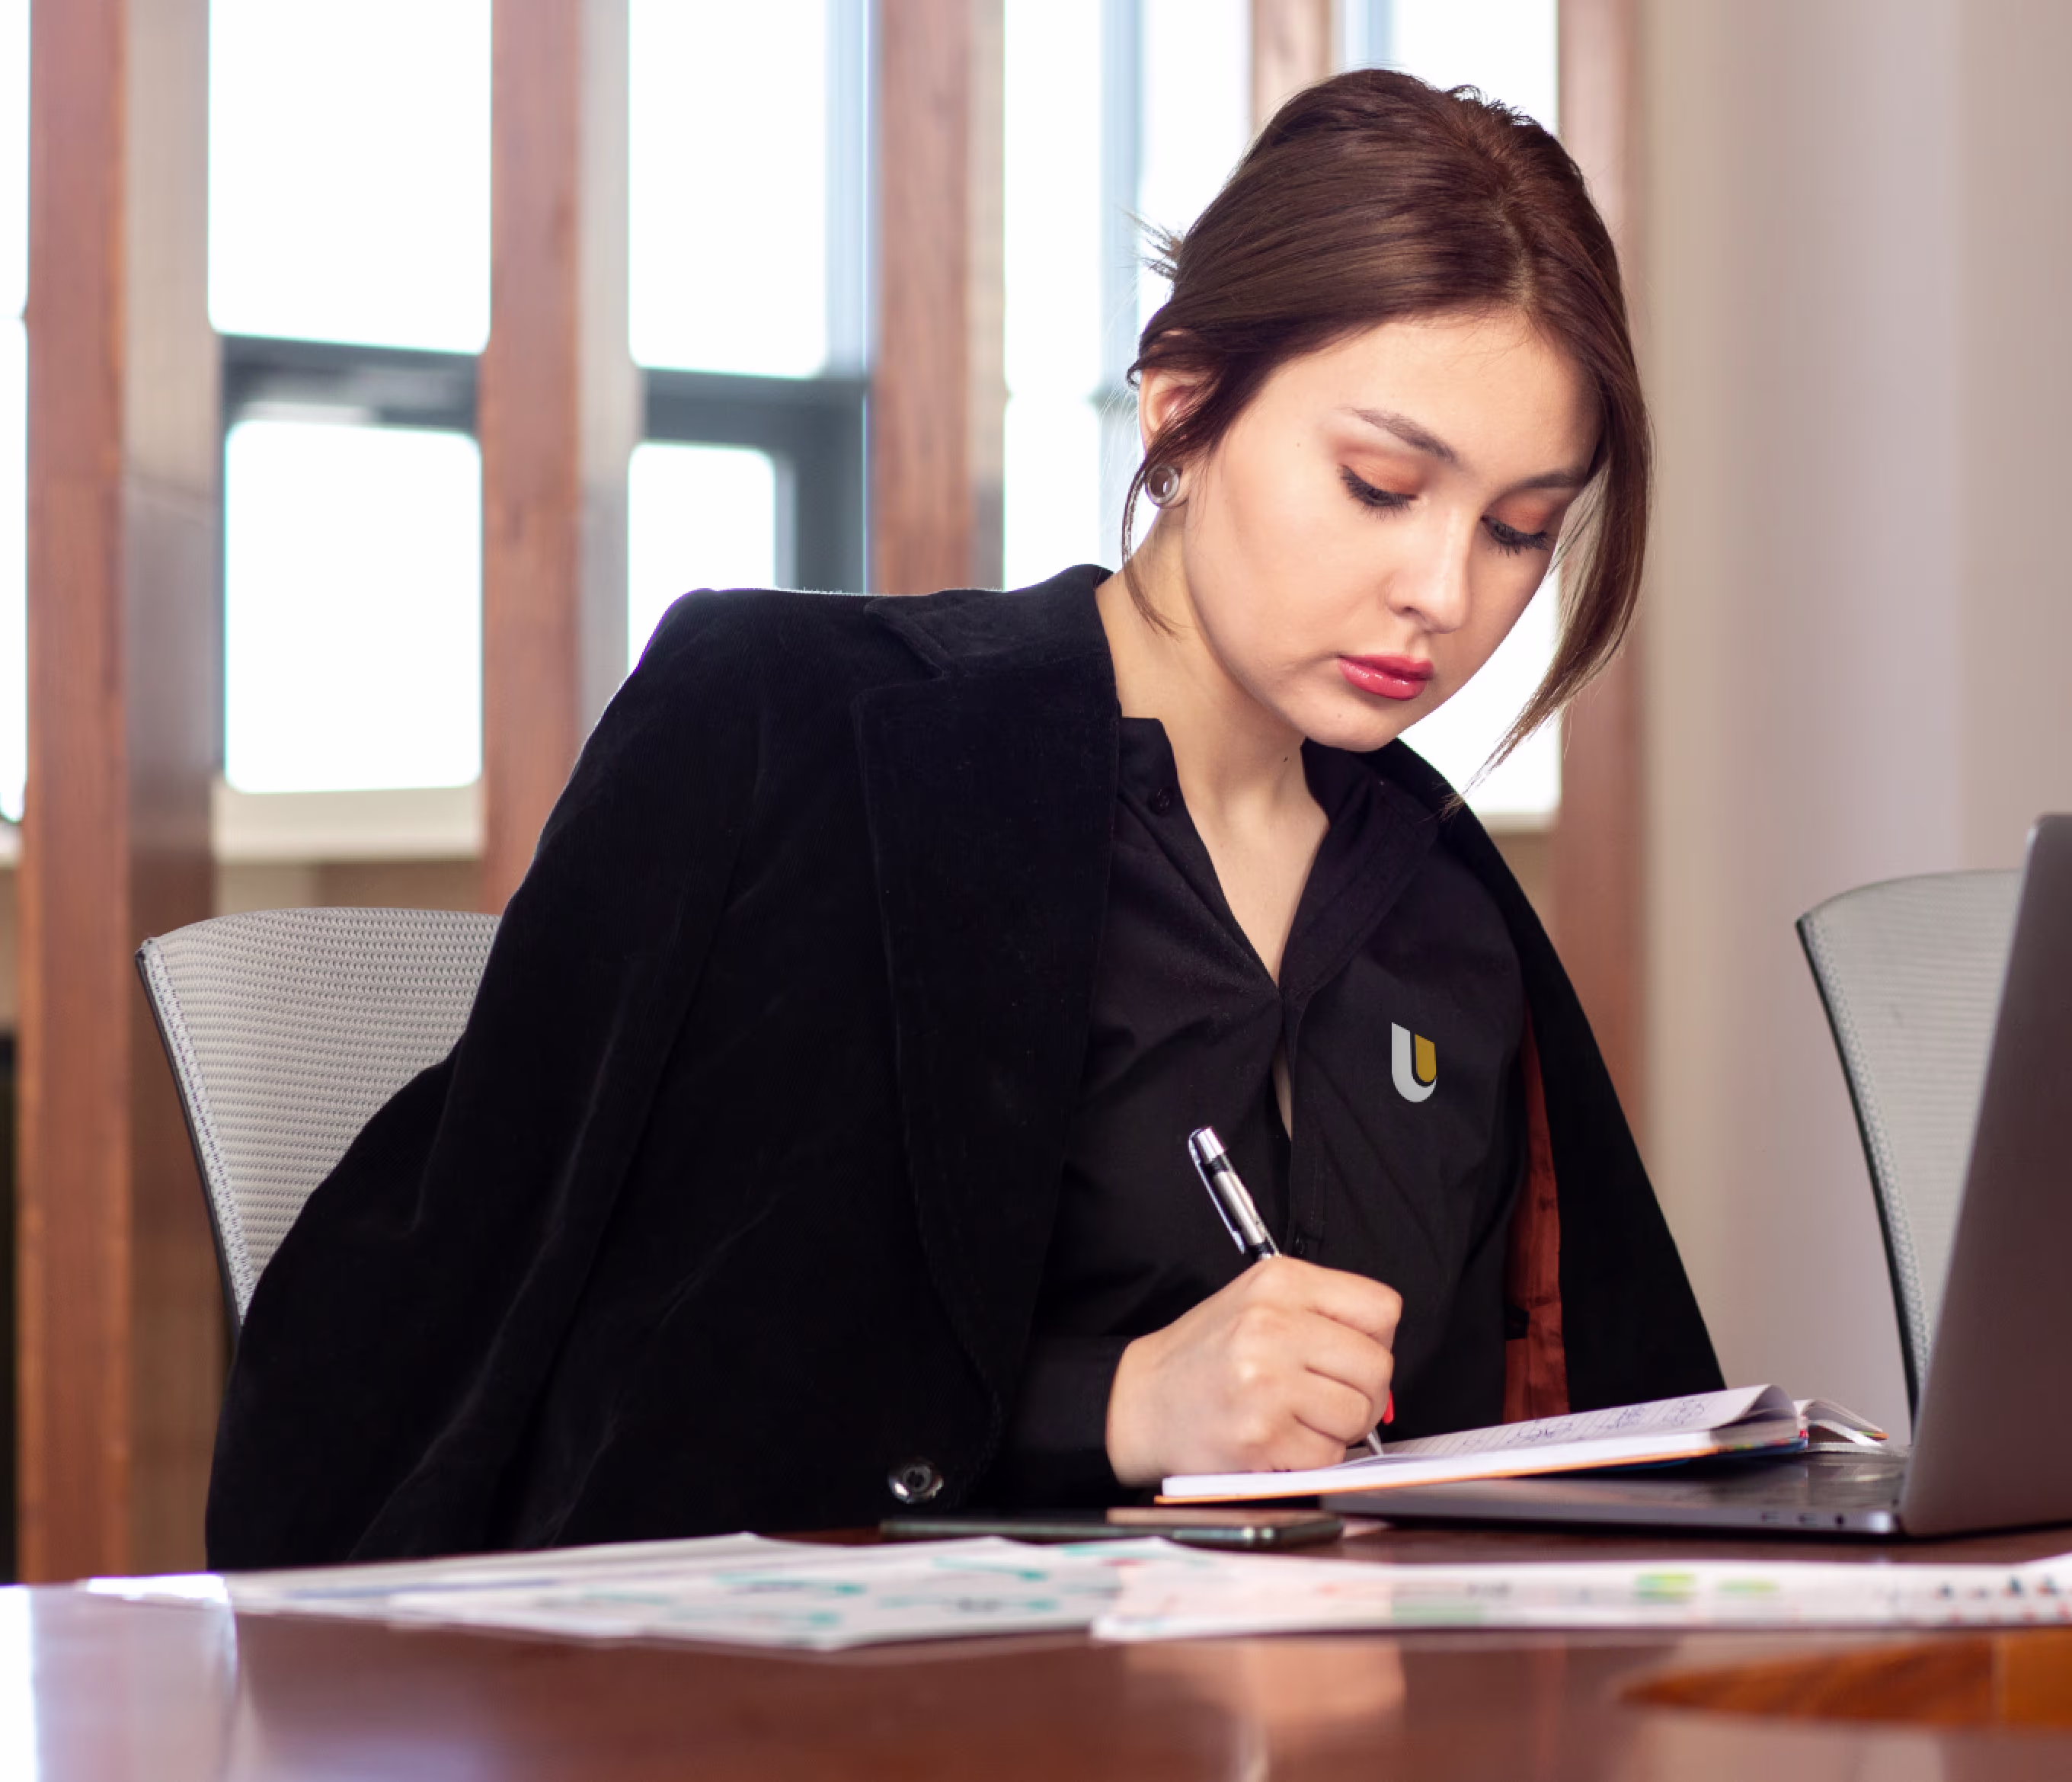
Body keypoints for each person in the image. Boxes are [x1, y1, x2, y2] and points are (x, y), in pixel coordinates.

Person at [206, 69, 1721, 1569]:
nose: (1447, 594)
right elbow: (596, 1383)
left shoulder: (1448, 904)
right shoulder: (812, 738)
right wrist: (1118, 1403)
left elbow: (1584, 1431)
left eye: (1522, 529)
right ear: (1183, 406)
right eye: (1380, 484)